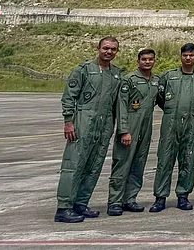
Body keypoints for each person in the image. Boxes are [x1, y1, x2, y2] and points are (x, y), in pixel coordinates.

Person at [55, 37, 122, 223]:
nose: (109, 52)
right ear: (98, 48)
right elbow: (69, 96)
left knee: (94, 166)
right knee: (73, 165)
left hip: (104, 124)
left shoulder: (116, 74)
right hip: (83, 122)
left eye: (113, 49)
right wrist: (69, 121)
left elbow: (117, 103)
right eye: (106, 48)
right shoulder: (83, 70)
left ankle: (81, 204)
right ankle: (63, 208)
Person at [150, 43, 194, 213]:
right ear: (181, 57)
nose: (188, 58)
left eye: (191, 55)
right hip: (170, 124)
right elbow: (161, 99)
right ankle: (160, 197)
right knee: (164, 160)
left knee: (188, 160)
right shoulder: (169, 76)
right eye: (185, 55)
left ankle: (183, 196)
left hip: (192, 124)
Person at [107, 47, 159, 216]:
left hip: (146, 127)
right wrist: (124, 130)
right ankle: (115, 201)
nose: (147, 62)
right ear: (138, 61)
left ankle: (129, 199)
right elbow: (121, 106)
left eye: (150, 59)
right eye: (144, 59)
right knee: (122, 164)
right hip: (130, 125)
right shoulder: (129, 80)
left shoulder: (155, 81)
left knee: (138, 164)